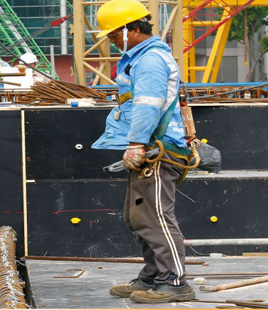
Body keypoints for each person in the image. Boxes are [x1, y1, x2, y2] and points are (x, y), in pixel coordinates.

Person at [91, 0, 196, 303]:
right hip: (148, 149)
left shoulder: (149, 60)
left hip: (157, 151)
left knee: (157, 218)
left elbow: (148, 105)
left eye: (113, 35)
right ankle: (154, 277)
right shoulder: (139, 59)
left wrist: (136, 143)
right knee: (138, 217)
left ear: (133, 29)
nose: (111, 40)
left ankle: (175, 282)